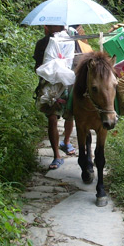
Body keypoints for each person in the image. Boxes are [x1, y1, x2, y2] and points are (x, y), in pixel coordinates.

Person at [33, 25, 76, 170]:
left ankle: (66, 141)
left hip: (68, 83)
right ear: (47, 28)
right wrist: (52, 66)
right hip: (50, 85)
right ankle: (56, 155)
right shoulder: (42, 44)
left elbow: (76, 62)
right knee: (52, 118)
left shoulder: (72, 40)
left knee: (70, 115)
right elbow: (37, 67)